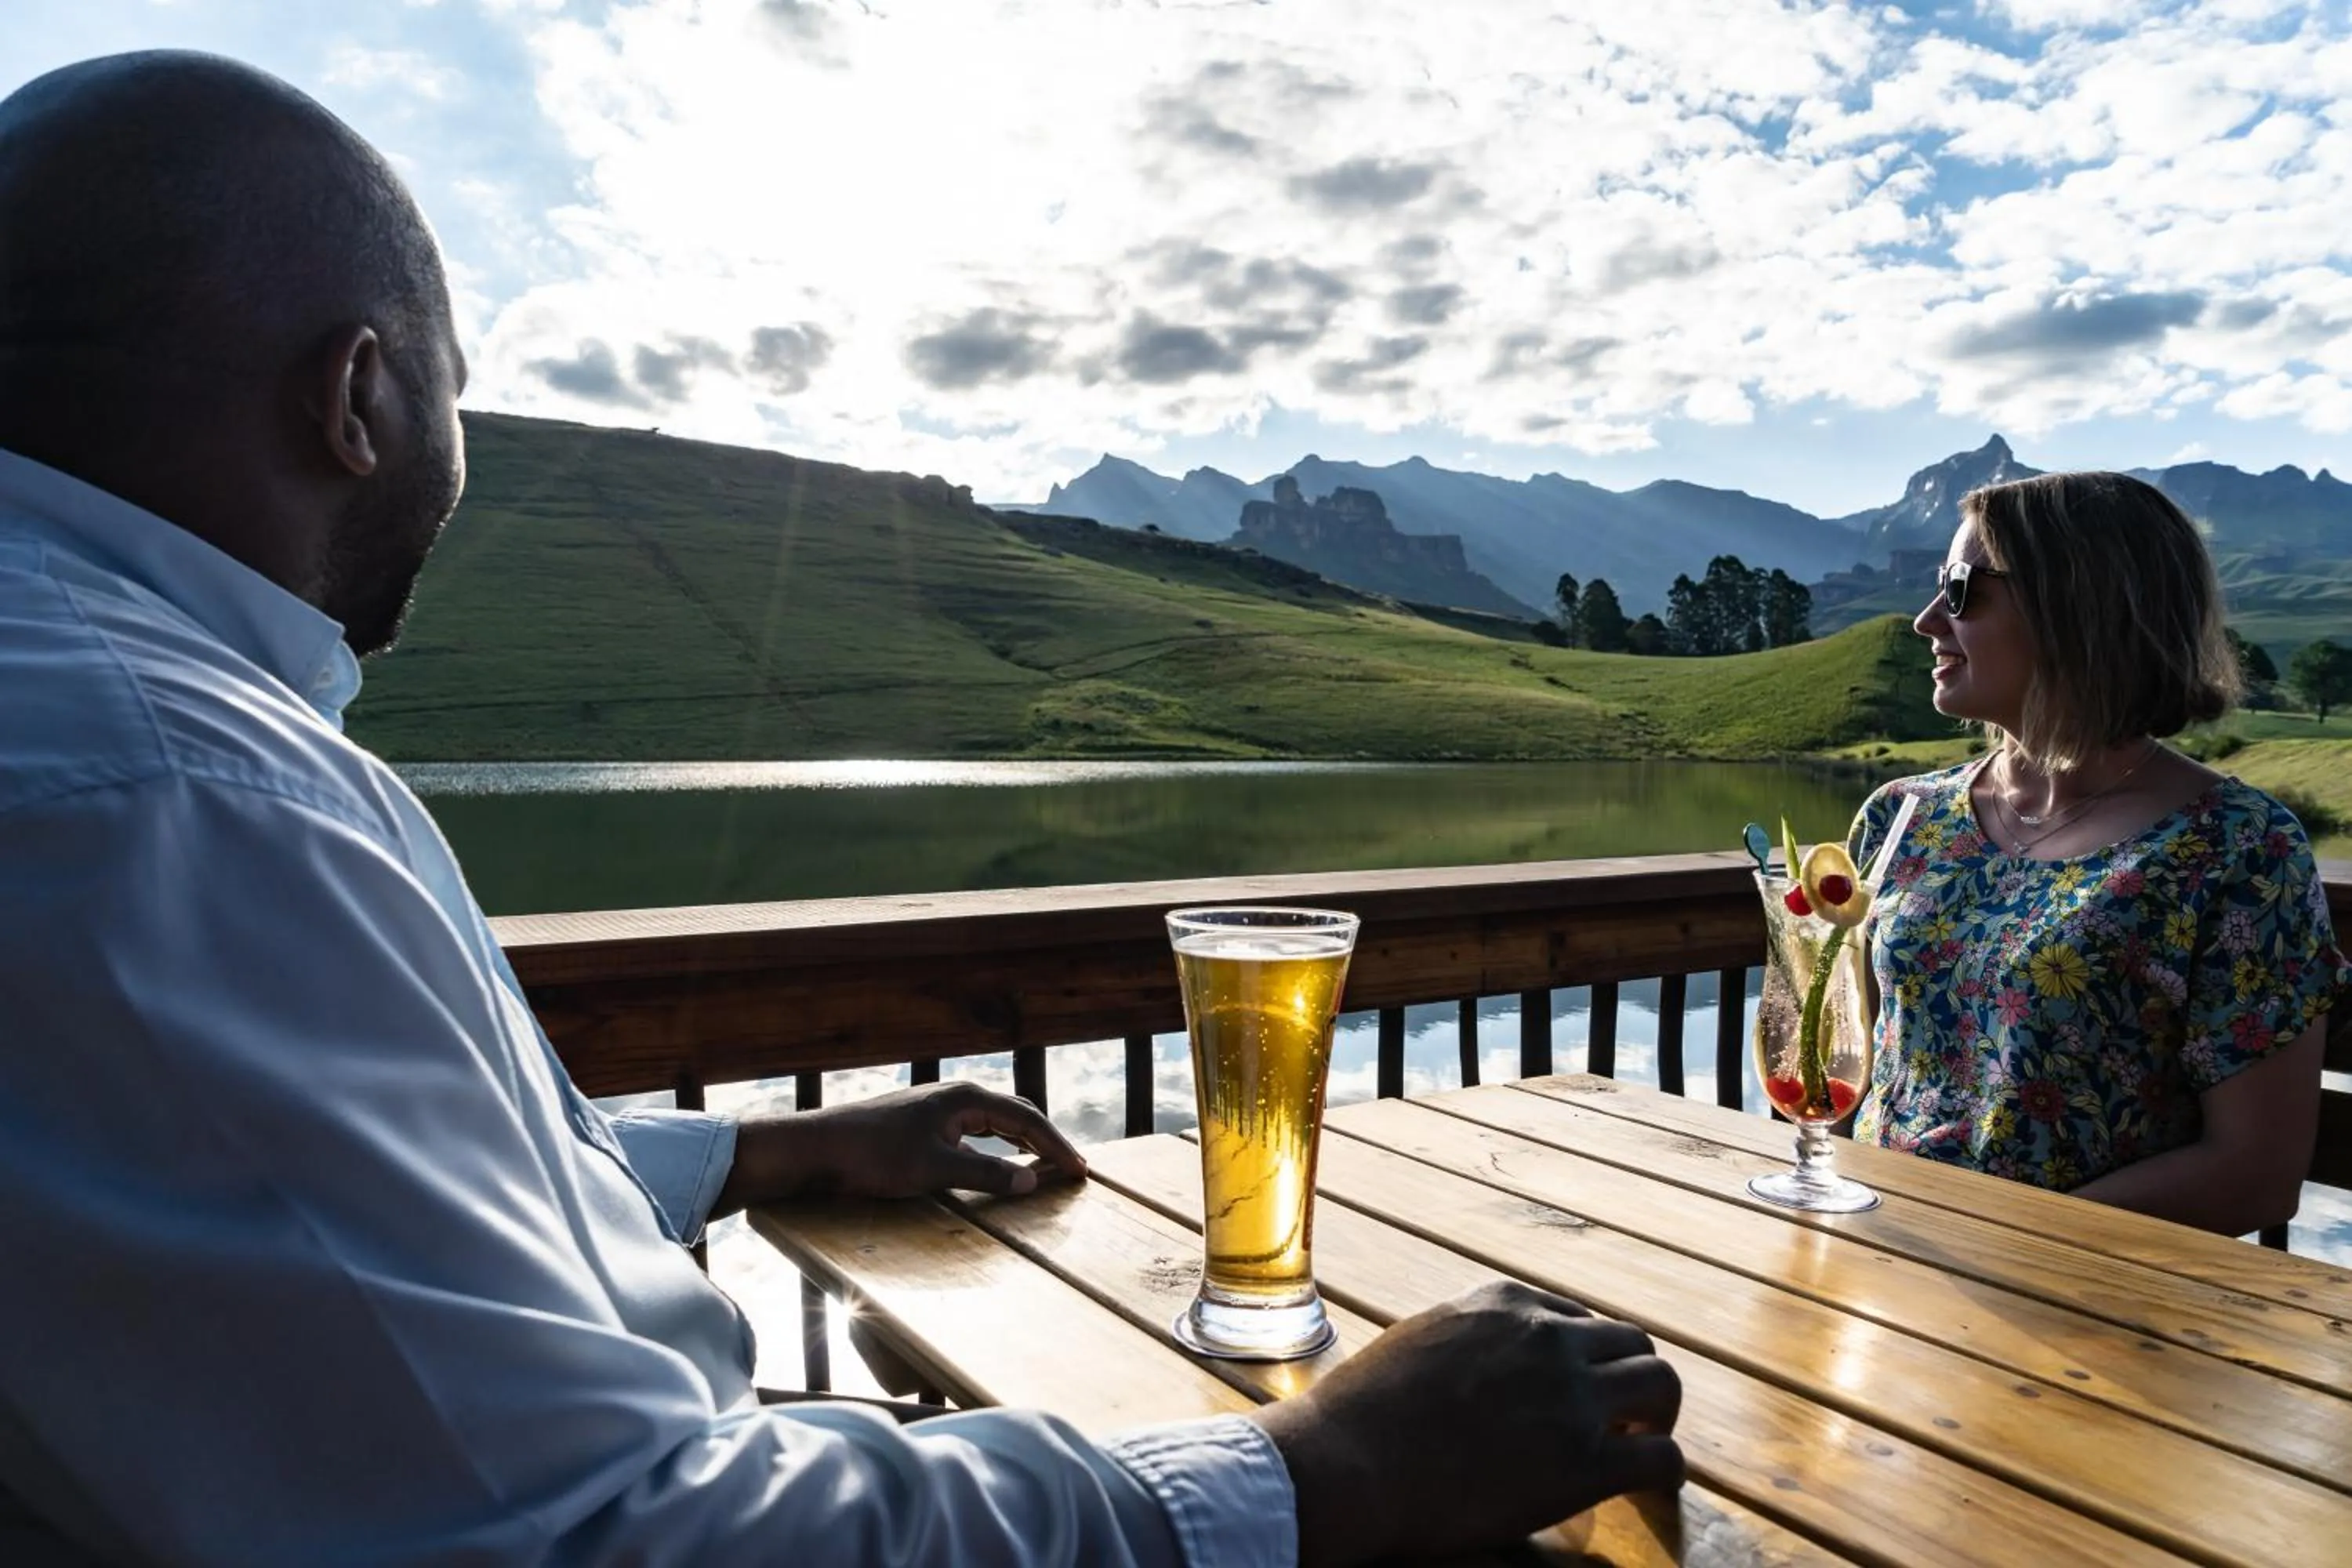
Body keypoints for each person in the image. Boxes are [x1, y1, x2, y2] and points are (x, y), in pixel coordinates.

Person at [0, 51, 1683, 1568]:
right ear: (353, 394)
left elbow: (375, 1231)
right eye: (454, 385)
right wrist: (1324, 1472)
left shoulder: (124, 724)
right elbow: (598, 1535)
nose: (462, 447)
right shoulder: (170, 793)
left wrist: (762, 1146)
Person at [1847, 471, 2345, 1235]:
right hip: (1884, 1264)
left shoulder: (2235, 847)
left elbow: (2256, 1173)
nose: (1924, 620)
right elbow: (1861, 1067)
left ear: (2077, 608)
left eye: (1960, 589)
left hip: (2088, 1309)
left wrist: (2001, 1245)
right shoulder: (1900, 818)